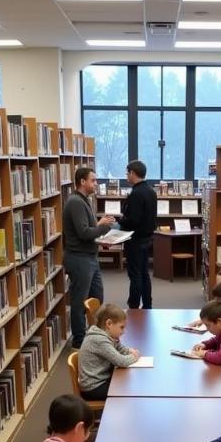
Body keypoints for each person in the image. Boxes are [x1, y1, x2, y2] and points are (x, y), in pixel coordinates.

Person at [62, 167, 115, 348]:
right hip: (79, 259)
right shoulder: (76, 202)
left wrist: (101, 239)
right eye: (93, 180)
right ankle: (79, 342)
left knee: (96, 298)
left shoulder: (84, 201)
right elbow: (84, 233)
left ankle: (96, 336)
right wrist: (105, 227)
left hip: (89, 257)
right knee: (79, 301)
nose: (96, 184)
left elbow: (87, 232)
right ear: (82, 182)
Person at [78, 303, 140, 401]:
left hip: (101, 379)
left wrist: (129, 351)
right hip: (93, 387)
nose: (124, 331)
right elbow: (121, 362)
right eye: (121, 327)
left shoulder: (107, 335)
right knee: (128, 390)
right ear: (109, 324)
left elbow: (118, 347)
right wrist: (134, 357)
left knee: (128, 382)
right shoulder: (99, 340)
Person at [118, 160, 157, 310]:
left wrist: (120, 220)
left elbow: (133, 220)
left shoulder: (136, 193)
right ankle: (147, 304)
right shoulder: (150, 191)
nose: (127, 176)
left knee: (135, 275)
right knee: (144, 273)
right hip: (147, 238)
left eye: (127, 173)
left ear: (133, 173)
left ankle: (133, 305)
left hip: (135, 240)